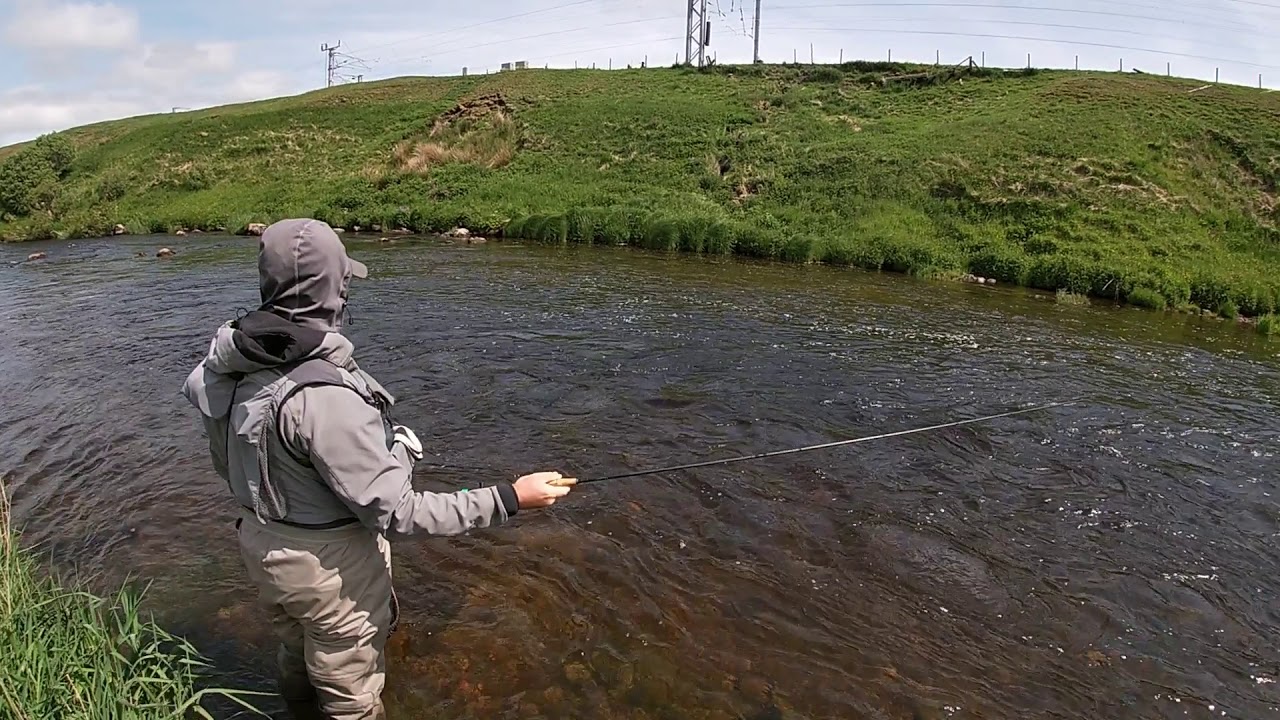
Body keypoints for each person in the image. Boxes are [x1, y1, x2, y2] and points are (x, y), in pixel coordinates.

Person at [181, 218, 575, 720]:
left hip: (261, 544)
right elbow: (399, 514)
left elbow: (239, 463)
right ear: (334, 289)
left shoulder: (222, 366)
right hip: (328, 568)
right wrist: (512, 497)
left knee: (296, 649)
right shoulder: (323, 397)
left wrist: (390, 454)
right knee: (351, 693)